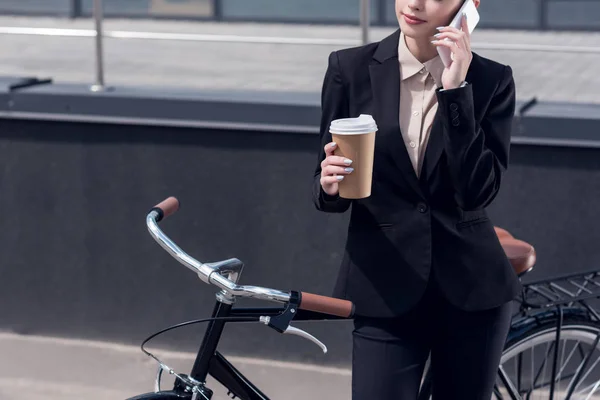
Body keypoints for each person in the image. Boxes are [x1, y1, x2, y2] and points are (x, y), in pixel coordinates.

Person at [312, 0, 521, 398]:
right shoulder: (349, 69)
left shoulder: (491, 79)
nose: (414, 4)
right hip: (384, 287)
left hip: (472, 292)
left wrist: (456, 90)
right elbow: (325, 186)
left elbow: (477, 192)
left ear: (469, 6)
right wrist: (328, 185)